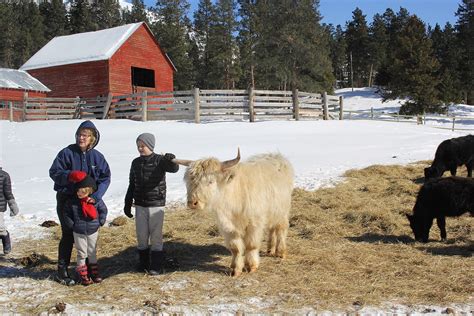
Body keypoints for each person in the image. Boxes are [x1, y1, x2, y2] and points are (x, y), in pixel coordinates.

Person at [49, 120, 111, 286]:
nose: (81, 138)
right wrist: (70, 175)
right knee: (69, 234)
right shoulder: (67, 153)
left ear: (92, 138)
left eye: (85, 135)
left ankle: (88, 268)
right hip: (68, 200)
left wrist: (96, 196)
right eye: (79, 134)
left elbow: (105, 177)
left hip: (89, 201)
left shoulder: (97, 157)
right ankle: (62, 271)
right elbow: (54, 172)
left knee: (89, 235)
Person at [124, 133, 179, 275]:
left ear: (150, 146)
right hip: (140, 204)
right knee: (141, 235)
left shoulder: (159, 160)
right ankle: (143, 264)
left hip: (156, 204)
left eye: (143, 146)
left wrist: (171, 159)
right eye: (138, 146)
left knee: (155, 235)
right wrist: (128, 201)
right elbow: (132, 183)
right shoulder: (135, 163)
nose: (140, 149)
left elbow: (174, 169)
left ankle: (156, 265)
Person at [65, 171, 107, 285]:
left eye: (82, 192)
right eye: (78, 191)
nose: (79, 194)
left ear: (89, 191)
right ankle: (83, 275)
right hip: (78, 231)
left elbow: (103, 210)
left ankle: (94, 273)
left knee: (92, 252)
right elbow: (67, 214)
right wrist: (71, 225)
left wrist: (101, 221)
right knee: (81, 253)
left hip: (93, 230)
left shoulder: (96, 202)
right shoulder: (72, 203)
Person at [0, 167, 19, 254]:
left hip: (0, 206)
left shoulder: (4, 175)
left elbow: (8, 192)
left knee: (0, 228)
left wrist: (12, 204)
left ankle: (5, 237)